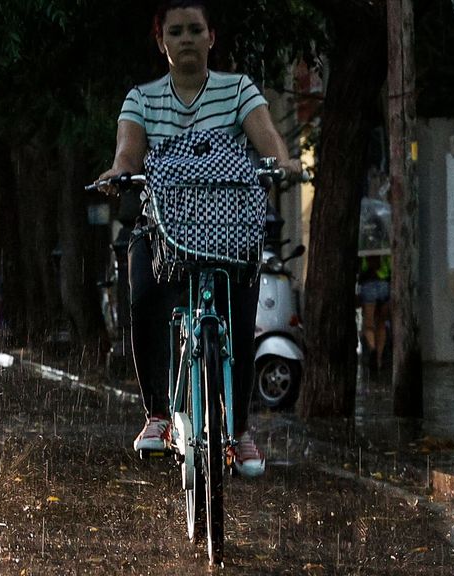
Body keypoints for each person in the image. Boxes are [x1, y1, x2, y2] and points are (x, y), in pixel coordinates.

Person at [95, 0, 300, 478]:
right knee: (143, 293)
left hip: (231, 231)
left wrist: (283, 162)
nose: (186, 38)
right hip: (161, 229)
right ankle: (159, 415)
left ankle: (242, 430)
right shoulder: (141, 100)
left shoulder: (238, 90)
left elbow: (268, 140)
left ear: (211, 37)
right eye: (176, 31)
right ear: (161, 40)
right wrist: (118, 172)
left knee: (244, 314)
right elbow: (128, 153)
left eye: (195, 30)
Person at [357, 253, 391, 374]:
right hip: (384, 284)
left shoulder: (364, 248)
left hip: (368, 284)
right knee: (381, 323)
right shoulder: (384, 246)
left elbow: (360, 267)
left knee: (369, 324)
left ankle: (372, 348)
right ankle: (379, 359)